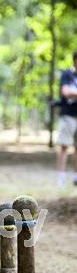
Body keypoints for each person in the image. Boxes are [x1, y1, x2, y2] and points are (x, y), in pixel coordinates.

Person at [56, 51, 77, 187]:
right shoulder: (68, 75)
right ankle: (61, 177)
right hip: (69, 115)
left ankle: (76, 176)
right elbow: (65, 92)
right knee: (64, 146)